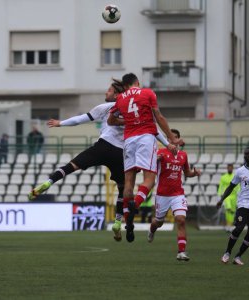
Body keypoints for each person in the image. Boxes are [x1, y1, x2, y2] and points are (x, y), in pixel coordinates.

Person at [29, 79, 126, 241]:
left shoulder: (105, 108)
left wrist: (61, 123)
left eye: (108, 90)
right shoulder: (132, 110)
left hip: (103, 146)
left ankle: (49, 182)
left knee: (71, 165)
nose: (105, 92)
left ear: (116, 94)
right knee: (123, 188)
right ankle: (117, 222)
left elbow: (81, 119)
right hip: (121, 153)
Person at [108, 73, 182, 243]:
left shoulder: (120, 99)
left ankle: (128, 220)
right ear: (137, 82)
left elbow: (111, 121)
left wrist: (126, 120)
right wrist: (171, 137)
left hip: (128, 140)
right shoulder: (148, 93)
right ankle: (135, 207)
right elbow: (159, 117)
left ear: (125, 86)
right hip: (145, 138)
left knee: (128, 184)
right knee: (149, 179)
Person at [147, 129, 201, 261]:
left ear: (178, 139)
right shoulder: (160, 153)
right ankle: (152, 230)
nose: (173, 140)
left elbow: (187, 173)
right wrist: (155, 160)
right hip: (162, 195)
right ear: (167, 139)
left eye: (175, 138)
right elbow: (148, 166)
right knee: (158, 222)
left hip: (178, 194)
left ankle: (181, 252)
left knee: (181, 220)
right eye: (170, 138)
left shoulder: (183, 155)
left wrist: (194, 173)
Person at [218, 164, 240, 232]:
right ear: (227, 168)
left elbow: (238, 186)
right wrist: (219, 195)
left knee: (232, 212)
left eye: (231, 168)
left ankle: (229, 226)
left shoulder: (235, 176)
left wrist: (239, 193)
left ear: (232, 168)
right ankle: (229, 225)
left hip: (234, 196)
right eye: (229, 168)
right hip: (227, 196)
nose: (230, 169)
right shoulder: (223, 177)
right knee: (229, 209)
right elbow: (221, 186)